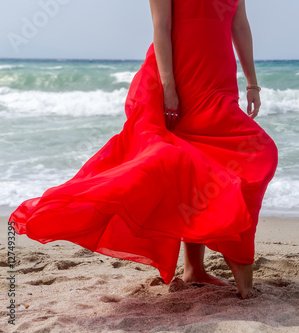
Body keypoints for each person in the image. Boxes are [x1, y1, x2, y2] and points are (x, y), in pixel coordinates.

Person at [10, 0, 277, 299]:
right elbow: (161, 28)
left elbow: (239, 26)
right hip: (181, 80)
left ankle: (195, 269)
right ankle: (230, 272)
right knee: (201, 161)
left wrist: (252, 83)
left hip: (219, 84)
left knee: (236, 157)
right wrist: (169, 88)